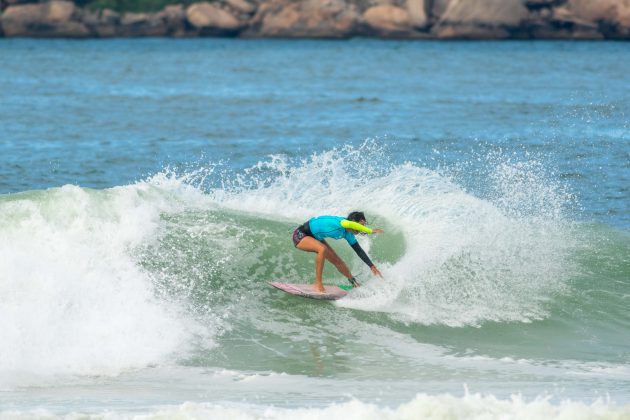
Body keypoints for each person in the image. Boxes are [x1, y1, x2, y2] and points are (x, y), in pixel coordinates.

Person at [292, 211, 384, 293]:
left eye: (363, 226)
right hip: (301, 234)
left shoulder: (348, 234)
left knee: (337, 261)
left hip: (316, 237)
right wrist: (370, 231)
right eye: (361, 225)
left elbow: (358, 250)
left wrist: (371, 266)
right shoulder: (341, 223)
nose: (361, 228)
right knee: (322, 249)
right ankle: (318, 283)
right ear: (352, 222)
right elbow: (350, 224)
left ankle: (353, 282)